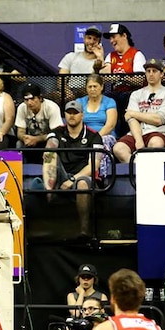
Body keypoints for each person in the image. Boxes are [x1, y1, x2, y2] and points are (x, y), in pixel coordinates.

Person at [42, 100, 103, 237]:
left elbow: (94, 165)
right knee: (49, 155)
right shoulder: (57, 132)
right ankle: (48, 192)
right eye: (69, 112)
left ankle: (84, 230)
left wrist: (71, 180)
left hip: (82, 177)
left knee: (82, 183)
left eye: (75, 113)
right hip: (61, 174)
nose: (72, 115)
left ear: (82, 115)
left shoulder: (94, 135)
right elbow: (50, 150)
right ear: (65, 115)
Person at [113, 59, 165, 163]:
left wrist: (133, 113)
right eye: (148, 71)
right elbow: (131, 120)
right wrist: (139, 140)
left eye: (154, 71)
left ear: (161, 74)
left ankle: (146, 169)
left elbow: (158, 119)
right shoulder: (136, 94)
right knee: (118, 148)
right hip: (135, 133)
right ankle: (139, 167)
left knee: (156, 143)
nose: (151, 74)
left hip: (157, 132)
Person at [77, 74, 117, 177]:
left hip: (106, 135)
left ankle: (100, 175)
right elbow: (76, 122)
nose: (92, 89)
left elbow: (110, 125)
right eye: (89, 87)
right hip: (85, 136)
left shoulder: (109, 101)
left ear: (102, 87)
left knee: (101, 142)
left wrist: (95, 138)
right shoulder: (79, 102)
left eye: (95, 86)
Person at [15, 83, 62, 164]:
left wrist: (36, 139)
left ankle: (49, 168)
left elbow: (57, 133)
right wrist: (24, 138)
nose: (29, 103)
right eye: (26, 100)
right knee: (19, 143)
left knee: (53, 141)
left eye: (32, 99)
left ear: (40, 98)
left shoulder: (51, 107)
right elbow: (20, 131)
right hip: (30, 142)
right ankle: (20, 172)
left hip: (46, 140)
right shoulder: (22, 108)